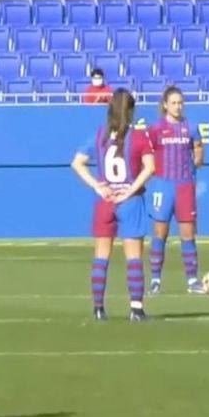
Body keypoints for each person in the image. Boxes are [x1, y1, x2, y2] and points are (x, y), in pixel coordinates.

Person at [71, 89, 155, 322]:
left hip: (105, 201)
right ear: (131, 110)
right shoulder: (138, 137)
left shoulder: (100, 135)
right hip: (129, 201)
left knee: (101, 255)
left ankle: (98, 308)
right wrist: (130, 189)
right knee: (133, 257)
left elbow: (77, 163)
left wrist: (97, 186)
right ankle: (136, 309)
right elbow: (150, 167)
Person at [145, 87, 205, 295]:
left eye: (180, 103)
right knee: (159, 234)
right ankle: (155, 280)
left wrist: (197, 157)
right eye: (174, 103)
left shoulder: (191, 127)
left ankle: (192, 280)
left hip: (185, 186)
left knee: (188, 235)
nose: (178, 107)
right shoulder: (155, 129)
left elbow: (199, 152)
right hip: (162, 185)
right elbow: (146, 154)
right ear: (165, 105)